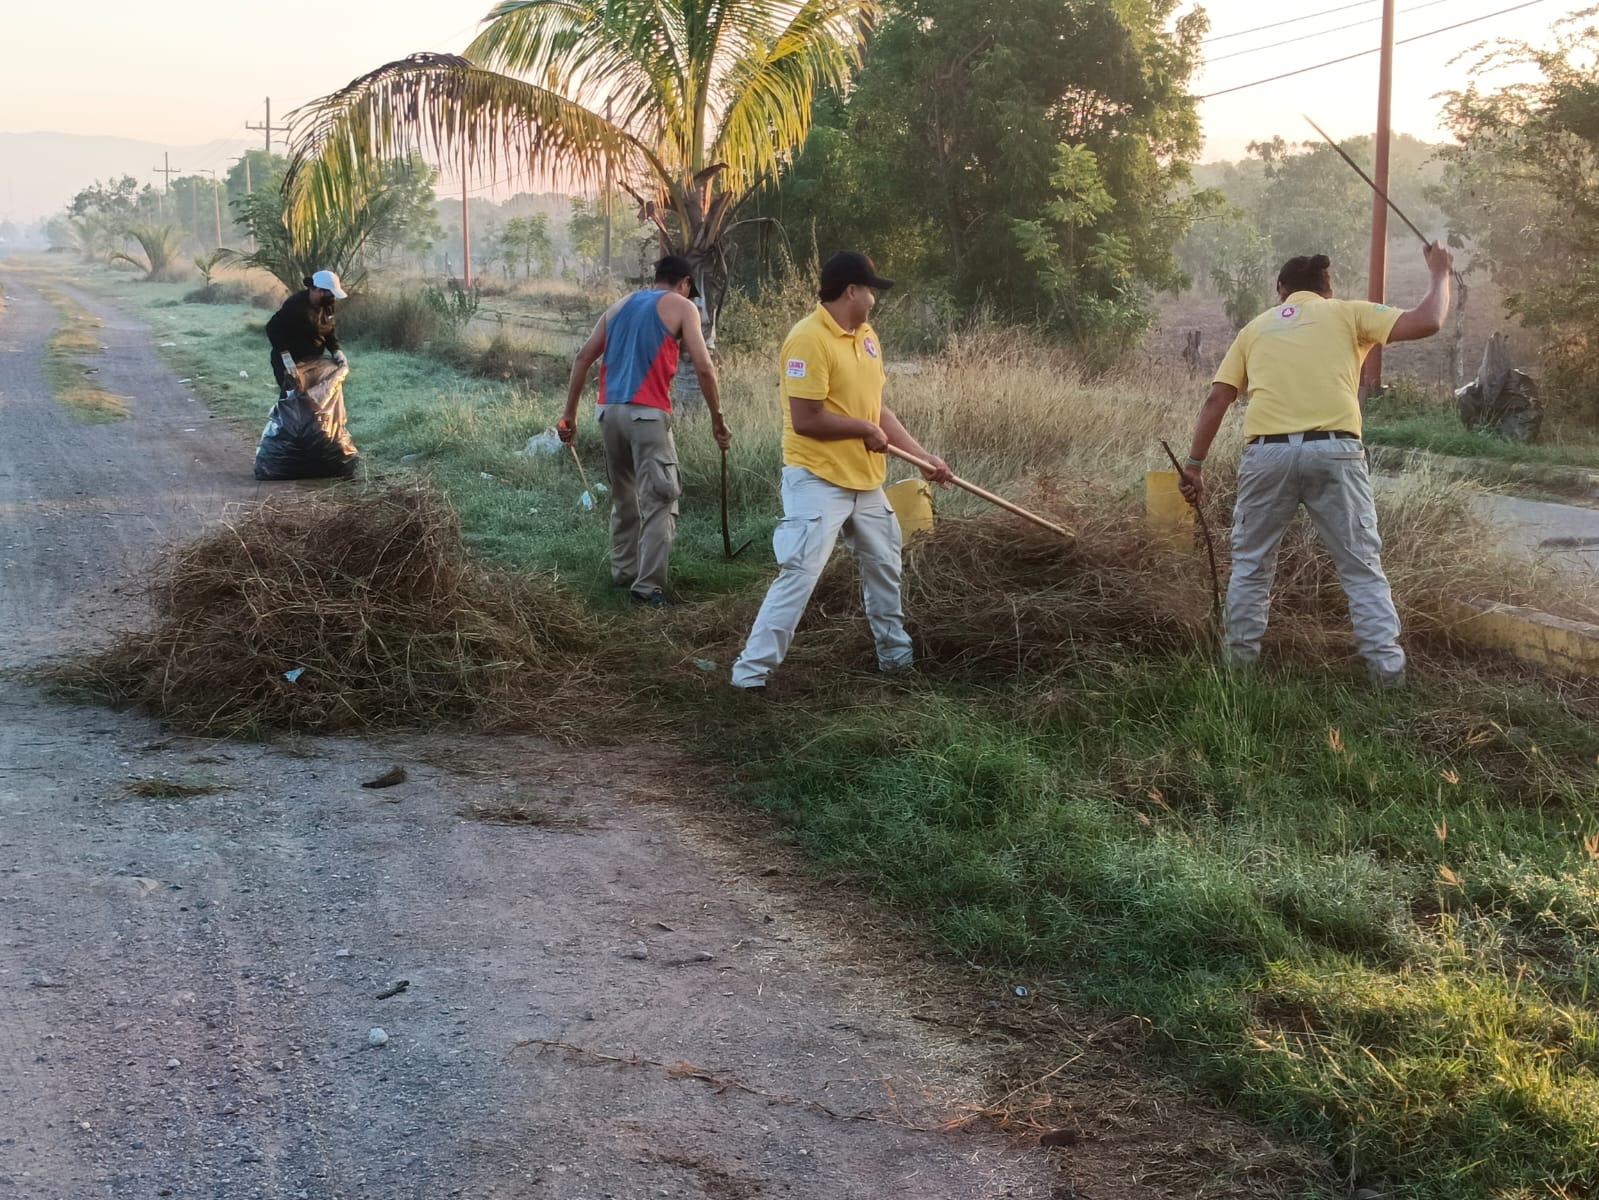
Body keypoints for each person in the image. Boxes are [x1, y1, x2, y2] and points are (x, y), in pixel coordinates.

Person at [1177, 242, 1455, 687]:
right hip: (1335, 450)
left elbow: (1218, 399)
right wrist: (1440, 272)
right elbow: (1429, 320)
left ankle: (1237, 674)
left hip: (1266, 455)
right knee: (1361, 568)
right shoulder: (1347, 314)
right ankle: (1388, 678)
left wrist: (1194, 466)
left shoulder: (1255, 328)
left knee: (1251, 566)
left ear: (1281, 290)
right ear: (1328, 289)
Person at [730, 251, 953, 692]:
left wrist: (924, 458)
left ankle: (896, 662)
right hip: (816, 480)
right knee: (799, 575)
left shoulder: (867, 336)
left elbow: (877, 410)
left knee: (885, 568)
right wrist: (861, 429)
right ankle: (749, 678)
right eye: (870, 290)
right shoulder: (807, 340)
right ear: (851, 290)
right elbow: (806, 419)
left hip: (866, 481)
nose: (874, 299)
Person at [559, 254, 731, 607]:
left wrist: (569, 417)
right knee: (661, 499)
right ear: (684, 283)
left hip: (608, 413)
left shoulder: (619, 306)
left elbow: (582, 358)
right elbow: (704, 367)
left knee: (625, 497)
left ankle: (624, 573)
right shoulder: (682, 307)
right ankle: (648, 586)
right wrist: (717, 417)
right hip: (647, 417)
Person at [266, 269, 348, 396]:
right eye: (331, 294)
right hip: (291, 361)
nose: (333, 298)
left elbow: (328, 331)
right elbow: (272, 328)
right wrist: (285, 356)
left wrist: (336, 350)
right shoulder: (295, 305)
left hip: (313, 359)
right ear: (318, 290)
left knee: (316, 398)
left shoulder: (328, 305)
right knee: (292, 397)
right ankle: (282, 416)